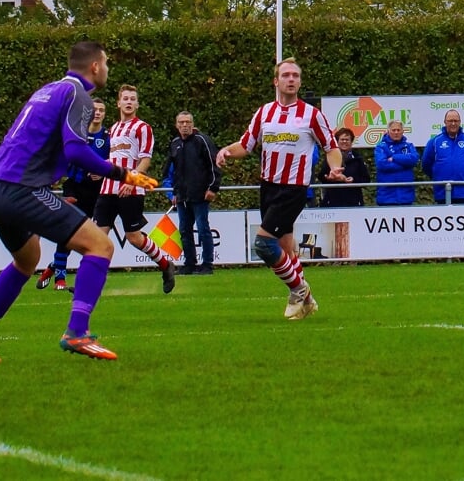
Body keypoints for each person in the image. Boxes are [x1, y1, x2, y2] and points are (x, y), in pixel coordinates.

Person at [0, 41, 159, 362]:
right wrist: (123, 174)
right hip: (21, 189)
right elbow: (76, 151)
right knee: (101, 246)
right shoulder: (79, 96)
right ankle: (76, 332)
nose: (108, 69)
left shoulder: (47, 90)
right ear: (95, 66)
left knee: (27, 260)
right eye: (106, 63)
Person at [217, 59, 342, 321]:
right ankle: (307, 301)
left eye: (295, 75)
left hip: (293, 188)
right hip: (268, 186)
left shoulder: (311, 114)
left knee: (263, 244)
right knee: (285, 246)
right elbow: (246, 145)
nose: (291, 79)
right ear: (276, 81)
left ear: (299, 81)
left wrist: (335, 168)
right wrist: (226, 151)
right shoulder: (264, 113)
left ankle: (299, 289)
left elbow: (331, 146)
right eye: (286, 75)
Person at [89, 85, 177, 293]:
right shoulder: (113, 129)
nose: (129, 102)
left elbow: (145, 159)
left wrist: (130, 181)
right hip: (108, 188)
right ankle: (91, 283)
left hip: (131, 189)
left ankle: (166, 265)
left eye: (132, 99)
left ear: (137, 104)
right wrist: (102, 171)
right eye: (125, 98)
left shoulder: (142, 128)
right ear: (118, 103)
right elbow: (114, 158)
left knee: (133, 237)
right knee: (97, 237)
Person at [41, 99, 107, 291]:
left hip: (97, 191)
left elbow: (112, 161)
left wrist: (102, 172)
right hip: (75, 188)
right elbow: (64, 158)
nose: (97, 113)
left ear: (104, 114)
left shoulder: (109, 137)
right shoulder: (76, 134)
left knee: (89, 237)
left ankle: (54, 266)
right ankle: (60, 278)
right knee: (68, 232)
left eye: (101, 110)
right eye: (94, 109)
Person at [166, 111, 220, 275]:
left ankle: (207, 264)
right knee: (184, 230)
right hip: (182, 196)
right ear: (176, 125)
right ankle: (189, 263)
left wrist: (213, 188)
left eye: (187, 122)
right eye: (181, 122)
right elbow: (173, 171)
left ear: (192, 123)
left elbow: (214, 165)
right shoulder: (175, 143)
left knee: (203, 228)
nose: (184, 125)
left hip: (200, 194)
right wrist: (174, 192)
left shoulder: (202, 141)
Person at [420, 109, 464, 204]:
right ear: (445, 122)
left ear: (460, 122)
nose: (453, 123)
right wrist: (438, 176)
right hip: (442, 192)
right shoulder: (435, 141)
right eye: (450, 121)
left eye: (456, 121)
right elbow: (426, 164)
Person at [317, 126, 372, 207]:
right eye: (342, 139)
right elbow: (321, 176)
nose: (344, 142)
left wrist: (353, 180)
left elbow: (366, 180)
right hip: (332, 201)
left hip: (354, 202)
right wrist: (331, 177)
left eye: (347, 140)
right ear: (337, 141)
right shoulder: (330, 157)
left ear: (351, 142)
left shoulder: (358, 159)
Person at [372, 120, 420, 206]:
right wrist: (405, 164)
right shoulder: (381, 146)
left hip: (406, 196)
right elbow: (382, 164)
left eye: (398, 130)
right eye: (393, 130)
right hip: (386, 197)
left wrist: (394, 157)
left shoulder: (409, 146)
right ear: (388, 131)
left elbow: (414, 159)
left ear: (403, 131)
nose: (396, 132)